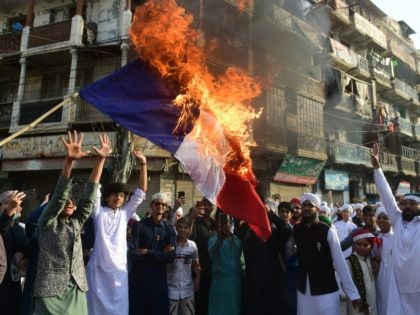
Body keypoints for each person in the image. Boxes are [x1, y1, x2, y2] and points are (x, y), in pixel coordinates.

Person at [33, 131, 112, 315]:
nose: (70, 202)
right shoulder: (47, 221)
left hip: (76, 286)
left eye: (72, 201)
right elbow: (60, 196)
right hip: (50, 291)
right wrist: (69, 162)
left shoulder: (76, 222)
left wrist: (100, 161)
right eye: (65, 202)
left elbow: (89, 196)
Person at [86, 149, 147, 315]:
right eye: (115, 194)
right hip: (98, 270)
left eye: (122, 195)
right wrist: (102, 159)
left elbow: (141, 192)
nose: (119, 198)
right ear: (106, 197)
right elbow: (93, 188)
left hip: (119, 271)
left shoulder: (125, 214)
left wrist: (143, 163)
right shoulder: (98, 212)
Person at [289, 193, 362, 315]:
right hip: (304, 290)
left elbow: (340, 264)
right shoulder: (296, 230)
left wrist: (353, 294)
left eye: (310, 205)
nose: (306, 208)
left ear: (317, 209)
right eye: (304, 205)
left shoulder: (328, 231)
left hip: (326, 289)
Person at [371, 143, 420, 314]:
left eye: (412, 204)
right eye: (405, 203)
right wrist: (377, 168)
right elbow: (386, 195)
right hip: (398, 287)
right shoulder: (398, 220)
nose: (407, 206)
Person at [238, 201, 293, 315]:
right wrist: (252, 215)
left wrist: (271, 214)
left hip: (273, 278)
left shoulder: (275, 233)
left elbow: (287, 230)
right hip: (255, 279)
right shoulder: (250, 232)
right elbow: (239, 233)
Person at [128, 192, 177, 315]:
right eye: (157, 204)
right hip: (140, 280)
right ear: (151, 205)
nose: (159, 206)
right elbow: (132, 253)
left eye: (163, 204)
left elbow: (171, 256)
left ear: (166, 208)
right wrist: (161, 254)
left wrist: (147, 252)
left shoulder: (169, 229)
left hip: (158, 281)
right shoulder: (139, 226)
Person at [0, 190, 28, 315]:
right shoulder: (3, 224)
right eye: (8, 202)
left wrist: (27, 259)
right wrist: (9, 212)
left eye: (16, 203)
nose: (13, 205)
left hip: (15, 286)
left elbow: (27, 249)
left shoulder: (20, 229)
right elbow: (3, 227)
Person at [208, 213, 242, 315]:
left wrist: (229, 234)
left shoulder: (237, 240)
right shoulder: (213, 239)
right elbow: (212, 253)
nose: (226, 223)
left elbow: (239, 251)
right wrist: (220, 238)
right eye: (223, 221)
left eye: (228, 221)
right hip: (219, 285)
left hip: (235, 285)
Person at [188, 197, 217, 315]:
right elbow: (187, 234)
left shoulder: (215, 224)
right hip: (199, 271)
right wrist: (192, 217)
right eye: (205, 203)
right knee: (199, 304)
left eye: (210, 204)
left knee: (211, 304)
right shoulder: (195, 222)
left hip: (214, 272)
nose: (207, 207)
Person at [167, 217, 201, 315]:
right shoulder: (170, 245)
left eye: (185, 227)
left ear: (189, 230)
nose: (182, 229)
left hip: (188, 290)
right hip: (172, 290)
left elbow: (196, 264)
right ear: (176, 228)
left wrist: (198, 278)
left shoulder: (192, 246)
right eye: (180, 227)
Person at [345, 229, 377, 315]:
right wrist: (356, 297)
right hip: (357, 304)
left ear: (370, 247)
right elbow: (345, 283)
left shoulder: (369, 260)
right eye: (358, 244)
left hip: (371, 303)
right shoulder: (349, 261)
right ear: (354, 245)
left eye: (365, 245)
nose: (361, 247)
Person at [372, 207, 394, 315]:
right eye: (379, 217)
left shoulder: (396, 238)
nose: (381, 220)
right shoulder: (375, 238)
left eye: (385, 218)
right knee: (380, 303)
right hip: (379, 277)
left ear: (391, 221)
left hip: (393, 278)